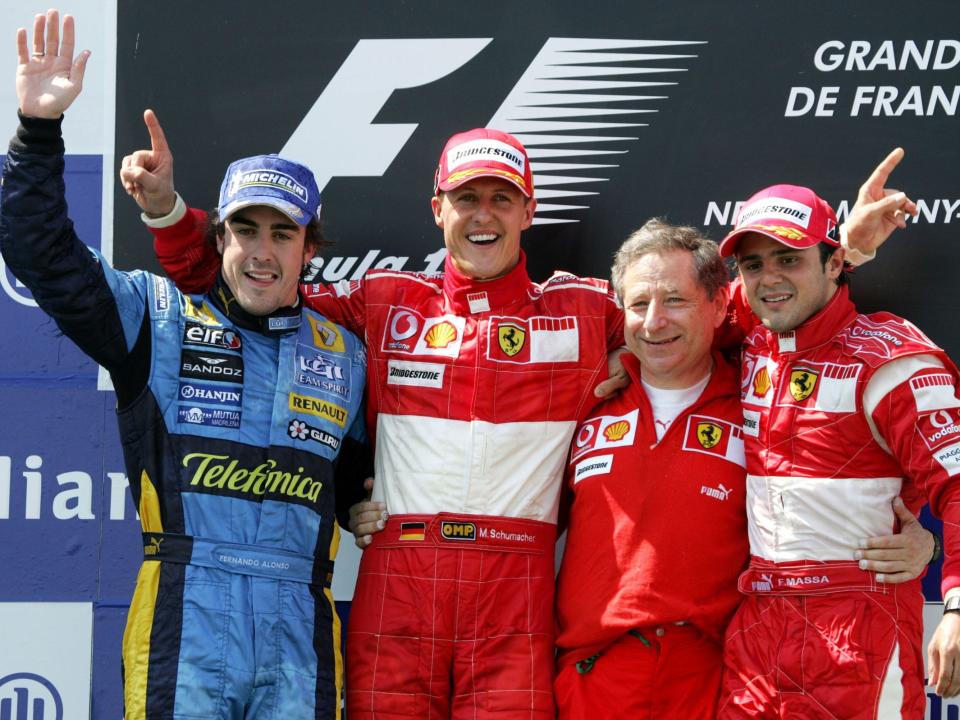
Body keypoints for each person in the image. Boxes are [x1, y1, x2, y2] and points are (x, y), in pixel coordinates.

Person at [129, 123, 625, 717]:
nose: (482, 215)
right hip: (398, 585)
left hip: (514, 594)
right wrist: (170, 216)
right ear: (438, 208)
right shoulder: (386, 300)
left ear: (529, 209)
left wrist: (642, 354)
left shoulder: (587, 311)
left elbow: (701, 323)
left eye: (501, 197)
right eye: (467, 197)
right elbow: (256, 287)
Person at [2, 11, 368, 719]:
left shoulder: (344, 355)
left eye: (281, 233)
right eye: (244, 230)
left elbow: (363, 481)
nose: (260, 252)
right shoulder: (156, 317)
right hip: (184, 609)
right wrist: (38, 130)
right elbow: (40, 254)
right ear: (219, 235)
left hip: (300, 624)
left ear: (309, 249)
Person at [717, 183, 960, 717]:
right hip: (756, 633)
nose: (769, 277)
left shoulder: (892, 360)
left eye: (789, 259)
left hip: (857, 631)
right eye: (752, 264)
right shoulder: (752, 342)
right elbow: (682, 316)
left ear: (834, 266)